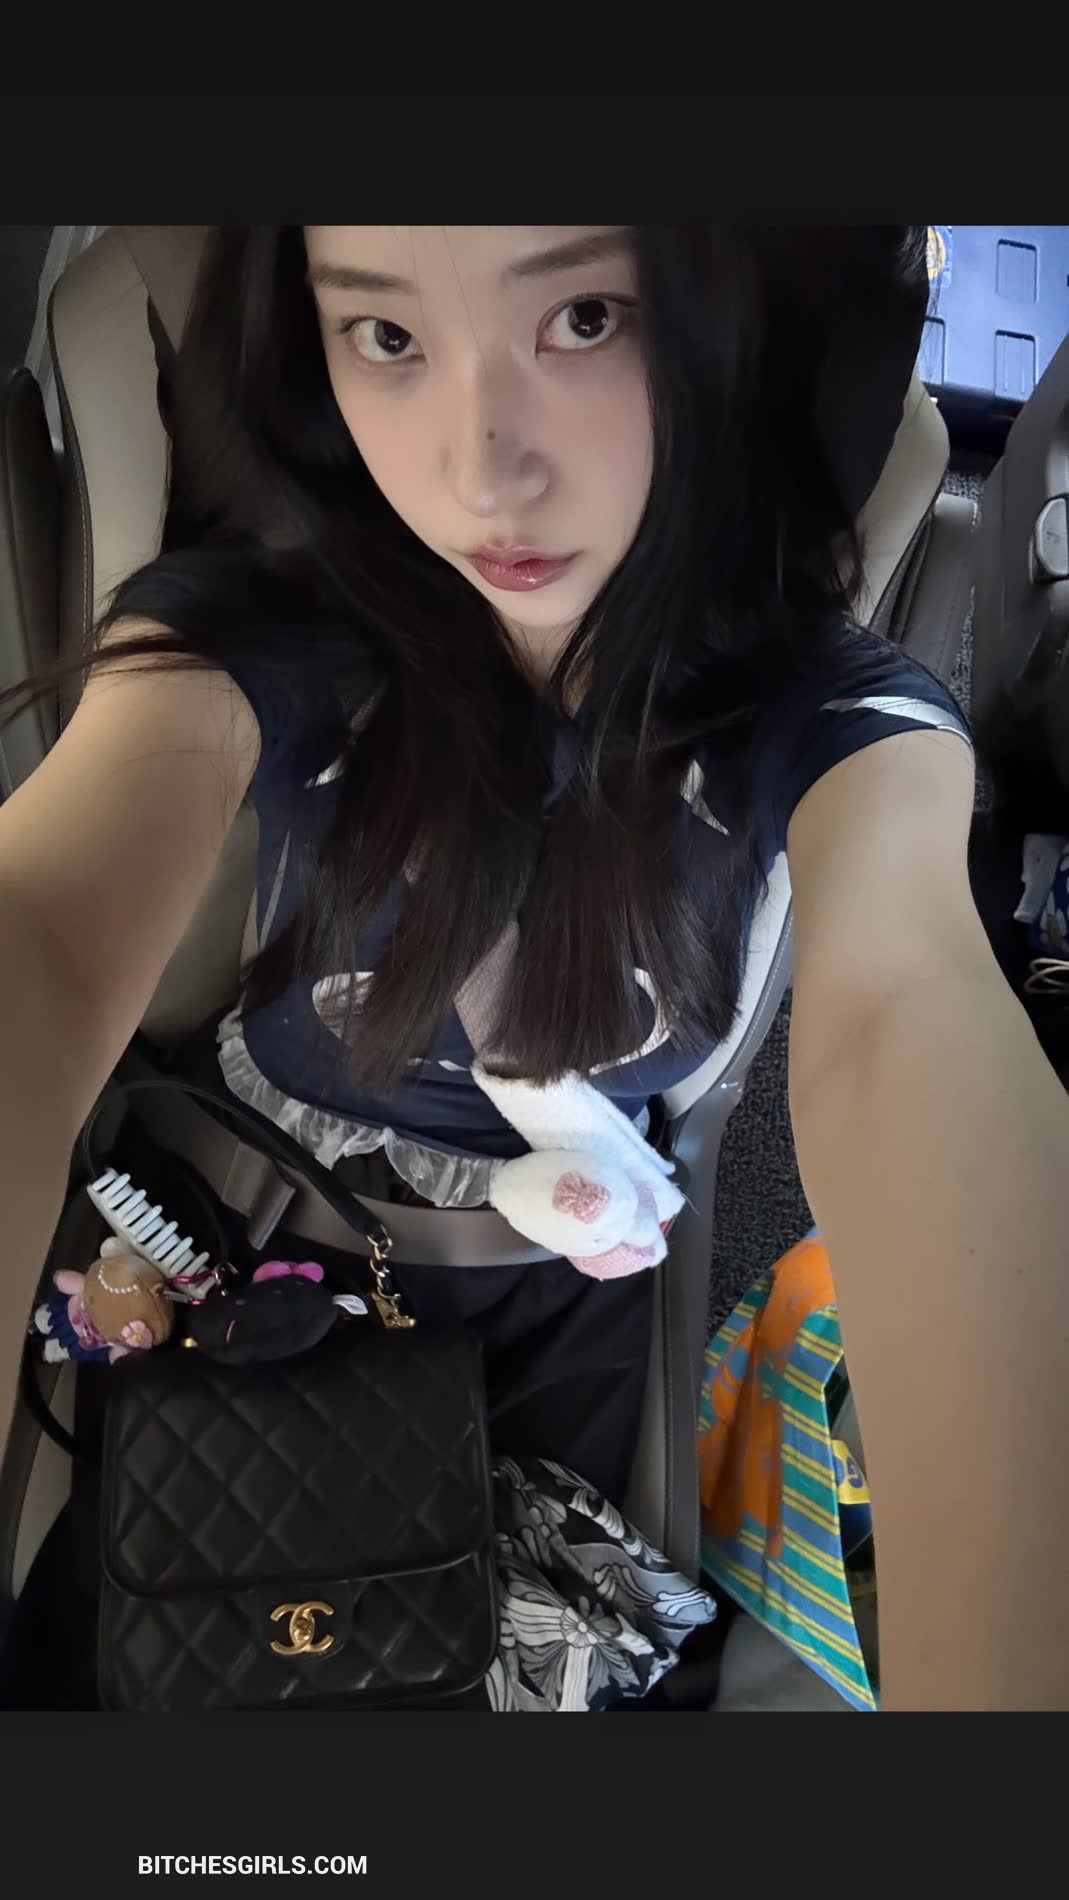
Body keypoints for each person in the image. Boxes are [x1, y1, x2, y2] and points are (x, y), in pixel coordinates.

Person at [1, 224, 1067, 1712]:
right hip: (259, 1219)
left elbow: (909, 1009)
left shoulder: (828, 721)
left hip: (570, 1269)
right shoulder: (269, 636)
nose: (478, 476)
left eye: (585, 318)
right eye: (387, 337)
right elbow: (42, 934)